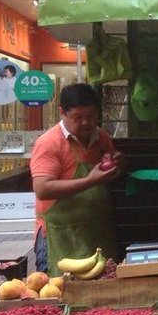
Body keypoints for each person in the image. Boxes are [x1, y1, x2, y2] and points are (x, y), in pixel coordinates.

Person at [30, 83, 126, 274]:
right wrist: (91, 180)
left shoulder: (102, 138)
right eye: (77, 117)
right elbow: (42, 188)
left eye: (90, 117)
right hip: (60, 235)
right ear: (62, 113)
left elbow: (112, 174)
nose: (85, 123)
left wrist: (120, 163)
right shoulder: (49, 143)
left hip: (97, 232)